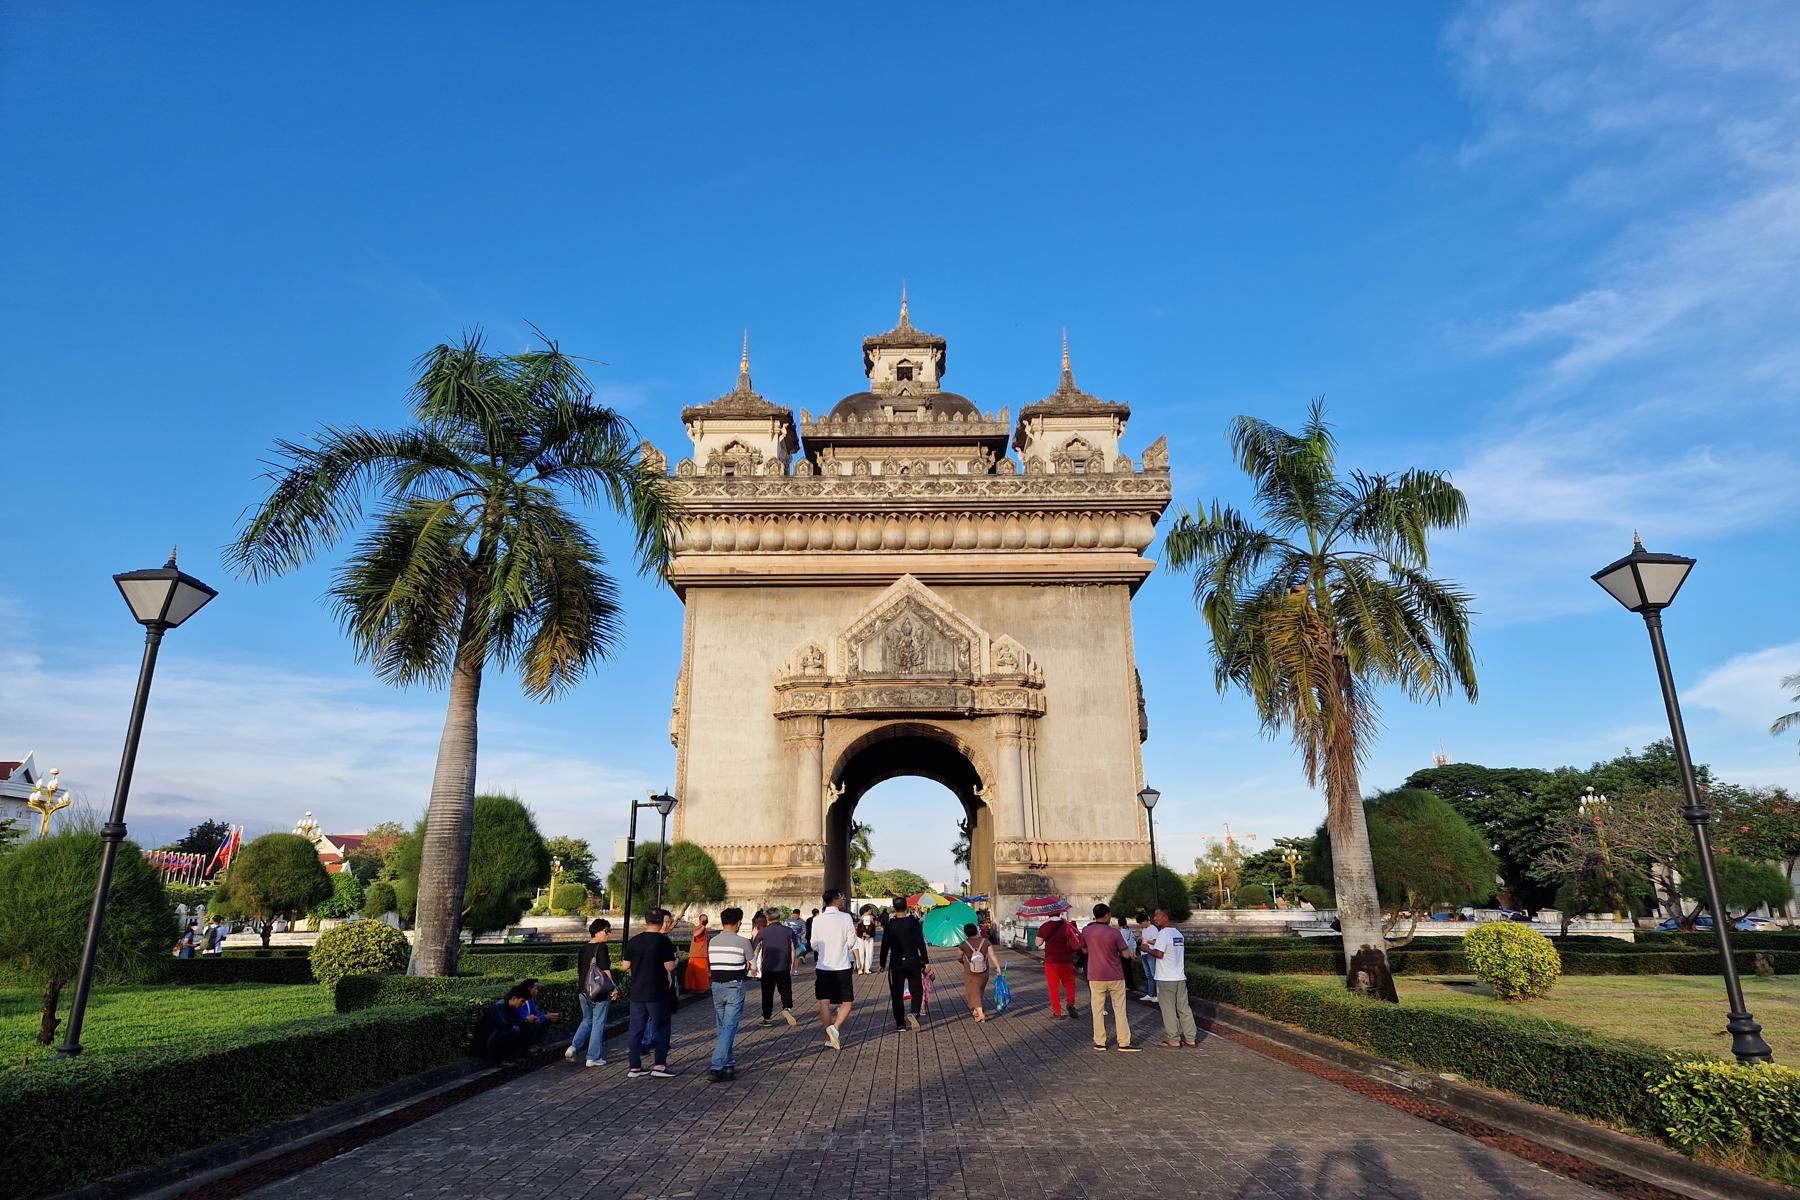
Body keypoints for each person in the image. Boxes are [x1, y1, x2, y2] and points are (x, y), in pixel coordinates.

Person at [623, 907, 679, 1078]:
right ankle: (659, 1066)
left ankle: (634, 1067)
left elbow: (625, 966)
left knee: (636, 1029)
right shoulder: (663, 942)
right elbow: (669, 966)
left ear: (645, 921)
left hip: (637, 991)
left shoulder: (634, 940)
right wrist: (677, 959)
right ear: (662, 922)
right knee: (662, 1027)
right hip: (657, 992)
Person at [1079, 904, 1138, 1052]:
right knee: (1119, 1010)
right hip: (1115, 975)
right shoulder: (1114, 933)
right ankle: (1124, 1042)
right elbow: (1126, 954)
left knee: (1097, 1010)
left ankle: (1100, 1042)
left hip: (1095, 975)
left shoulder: (1086, 931)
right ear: (1107, 915)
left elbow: (1084, 949)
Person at [705, 907, 752, 1082]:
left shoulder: (713, 941)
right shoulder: (743, 941)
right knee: (730, 1027)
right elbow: (752, 963)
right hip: (734, 987)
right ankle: (717, 1066)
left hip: (716, 987)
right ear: (739, 923)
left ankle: (729, 1063)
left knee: (723, 1027)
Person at [1143, 907, 1198, 1047]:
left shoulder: (1164, 933)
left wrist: (1147, 949)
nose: (1154, 919)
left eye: (1157, 916)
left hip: (1165, 978)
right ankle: (1191, 1038)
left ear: (1165, 917)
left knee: (1168, 1009)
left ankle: (1173, 1039)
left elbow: (1159, 954)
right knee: (1184, 1008)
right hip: (1179, 976)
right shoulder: (1178, 933)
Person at [813, 889, 858, 1049]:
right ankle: (835, 1028)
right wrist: (842, 946)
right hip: (842, 965)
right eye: (841, 897)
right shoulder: (846, 918)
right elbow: (852, 942)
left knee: (824, 1002)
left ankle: (829, 1035)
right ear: (835, 900)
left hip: (823, 965)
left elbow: (813, 944)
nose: (843, 900)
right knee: (847, 1002)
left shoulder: (817, 919)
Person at [880, 895, 932, 1031]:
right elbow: (920, 943)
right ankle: (914, 1013)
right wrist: (926, 961)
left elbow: (884, 945)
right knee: (917, 990)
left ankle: (900, 1024)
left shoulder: (890, 925)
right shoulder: (913, 922)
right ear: (907, 906)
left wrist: (881, 963)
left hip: (896, 964)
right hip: (913, 961)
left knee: (897, 993)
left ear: (893, 907)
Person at [567, 918, 613, 1068]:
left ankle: (574, 1047)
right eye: (607, 931)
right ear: (598, 932)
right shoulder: (602, 948)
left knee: (587, 1020)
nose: (609, 934)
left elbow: (581, 971)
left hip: (584, 990)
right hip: (598, 991)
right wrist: (613, 988)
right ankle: (593, 1056)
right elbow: (606, 971)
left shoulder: (583, 948)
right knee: (598, 1022)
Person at [752, 907, 798, 1026]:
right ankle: (787, 1008)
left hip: (767, 967)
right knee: (785, 990)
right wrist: (793, 966)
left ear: (767, 918)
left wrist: (754, 965)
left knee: (767, 993)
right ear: (779, 917)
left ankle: (767, 1018)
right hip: (783, 966)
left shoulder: (763, 932)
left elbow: (756, 950)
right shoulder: (788, 931)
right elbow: (793, 949)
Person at [1037, 908, 1081, 1019]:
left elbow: (1037, 943)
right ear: (1060, 912)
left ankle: (1057, 1012)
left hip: (1051, 961)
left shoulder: (1044, 926)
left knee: (1053, 987)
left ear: (1048, 914)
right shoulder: (1066, 925)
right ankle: (1070, 1003)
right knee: (1069, 984)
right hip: (1066, 959)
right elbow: (1074, 942)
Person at [474, 985, 535, 1061]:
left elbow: (516, 1020)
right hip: (487, 1042)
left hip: (497, 1036)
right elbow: (505, 1023)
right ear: (514, 998)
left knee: (527, 1027)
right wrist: (525, 1020)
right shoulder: (499, 1006)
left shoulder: (512, 1008)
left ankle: (520, 1054)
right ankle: (499, 1058)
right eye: (522, 1001)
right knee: (513, 1031)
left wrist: (525, 1022)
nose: (522, 1005)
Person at [957, 921, 999, 1021]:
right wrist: (998, 967)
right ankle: (976, 1010)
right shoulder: (986, 941)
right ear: (976, 931)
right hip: (984, 971)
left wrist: (963, 961)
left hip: (970, 972)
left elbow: (958, 956)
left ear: (965, 933)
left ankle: (980, 1013)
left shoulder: (964, 944)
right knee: (979, 990)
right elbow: (992, 955)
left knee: (973, 991)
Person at [518, 977, 560, 1050]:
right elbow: (525, 1019)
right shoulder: (521, 1001)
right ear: (529, 989)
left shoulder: (530, 1000)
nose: (537, 991)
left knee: (546, 1020)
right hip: (520, 1026)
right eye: (536, 988)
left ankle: (535, 1045)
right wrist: (545, 1017)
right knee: (536, 1022)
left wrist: (548, 1016)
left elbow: (537, 1013)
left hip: (528, 1023)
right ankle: (526, 1047)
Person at [1133, 912, 1159, 1003]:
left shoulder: (1153, 929)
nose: (1140, 925)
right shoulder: (1144, 929)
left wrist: (1144, 940)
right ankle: (1151, 994)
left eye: (1141, 923)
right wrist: (1140, 940)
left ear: (1145, 921)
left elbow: (1156, 942)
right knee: (1149, 975)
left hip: (1151, 953)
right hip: (1144, 953)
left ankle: (1157, 994)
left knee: (1154, 974)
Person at [685, 913, 713, 994]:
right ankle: (701, 988)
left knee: (696, 973)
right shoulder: (698, 928)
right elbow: (695, 934)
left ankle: (697, 988)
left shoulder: (703, 929)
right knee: (700, 973)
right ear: (700, 920)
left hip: (699, 954)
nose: (705, 921)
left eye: (706, 919)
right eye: (704, 919)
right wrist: (703, 926)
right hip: (698, 955)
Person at [854, 906, 877, 974]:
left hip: (869, 939)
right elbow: (858, 930)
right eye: (869, 911)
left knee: (869, 953)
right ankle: (860, 969)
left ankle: (867, 969)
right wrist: (862, 935)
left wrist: (870, 935)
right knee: (861, 953)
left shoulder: (872, 919)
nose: (871, 912)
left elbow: (873, 930)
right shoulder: (860, 920)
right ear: (865, 911)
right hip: (861, 939)